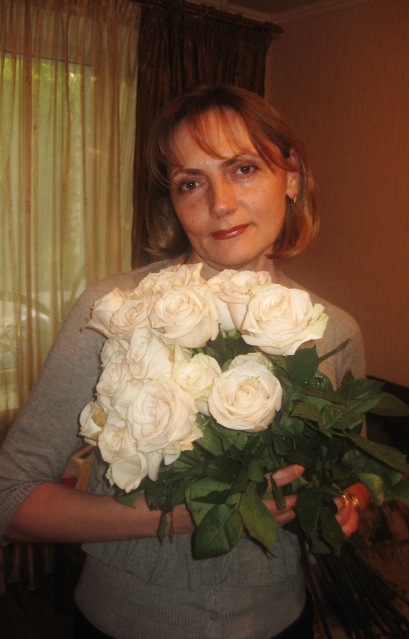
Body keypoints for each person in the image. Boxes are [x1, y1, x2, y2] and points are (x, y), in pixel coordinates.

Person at [0, 85, 368, 639]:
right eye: (191, 183)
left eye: (243, 169)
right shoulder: (111, 313)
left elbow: (352, 474)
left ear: (291, 176)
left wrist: (345, 501)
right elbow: (10, 499)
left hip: (281, 623)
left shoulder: (335, 332)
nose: (220, 203)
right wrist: (179, 516)